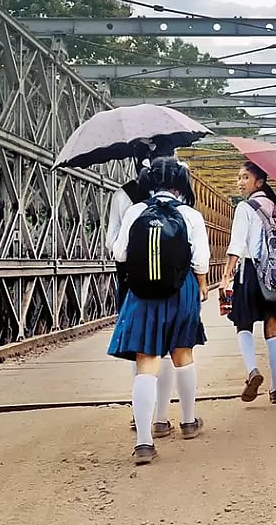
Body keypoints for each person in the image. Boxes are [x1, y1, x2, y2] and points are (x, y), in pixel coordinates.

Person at [108, 157, 210, 465]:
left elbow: (119, 252)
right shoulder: (190, 215)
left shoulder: (136, 211)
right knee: (183, 354)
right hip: (181, 290)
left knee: (147, 362)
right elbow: (201, 259)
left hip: (143, 293)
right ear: (180, 184)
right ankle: (189, 422)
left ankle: (144, 442)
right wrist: (202, 286)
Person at [220, 161, 276, 404]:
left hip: (250, 271)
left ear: (259, 182)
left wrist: (227, 275)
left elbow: (237, 244)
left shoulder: (245, 208)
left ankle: (252, 372)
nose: (239, 182)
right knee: (272, 328)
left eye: (245, 177)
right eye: (239, 177)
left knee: (242, 323)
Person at [106, 149, 176, 436]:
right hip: (172, 281)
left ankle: (141, 415)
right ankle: (161, 416)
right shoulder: (179, 201)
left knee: (141, 348)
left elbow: (114, 245)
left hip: (134, 281)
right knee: (170, 346)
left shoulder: (124, 196)